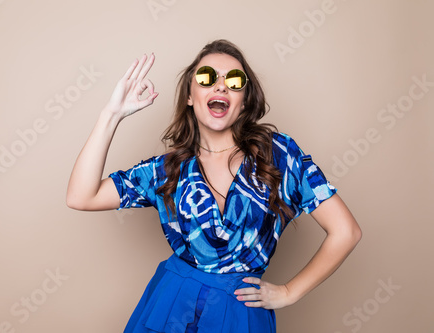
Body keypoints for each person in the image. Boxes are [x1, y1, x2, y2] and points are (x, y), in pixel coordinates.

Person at [66, 39, 362, 333]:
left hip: (239, 314)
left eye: (235, 81)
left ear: (244, 100)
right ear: (190, 96)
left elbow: (346, 231)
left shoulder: (279, 156)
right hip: (171, 306)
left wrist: (288, 292)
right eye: (207, 77)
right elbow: (81, 196)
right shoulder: (167, 170)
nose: (221, 86)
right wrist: (111, 115)